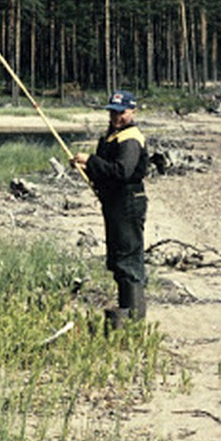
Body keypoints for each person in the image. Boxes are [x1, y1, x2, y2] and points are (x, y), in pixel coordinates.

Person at [71, 89, 149, 329]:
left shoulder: (131, 138)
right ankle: (124, 317)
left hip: (128, 202)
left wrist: (91, 161)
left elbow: (121, 171)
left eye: (122, 112)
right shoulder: (111, 135)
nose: (117, 117)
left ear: (133, 112)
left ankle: (134, 322)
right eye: (113, 112)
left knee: (128, 260)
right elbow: (107, 171)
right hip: (114, 203)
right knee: (117, 260)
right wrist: (85, 167)